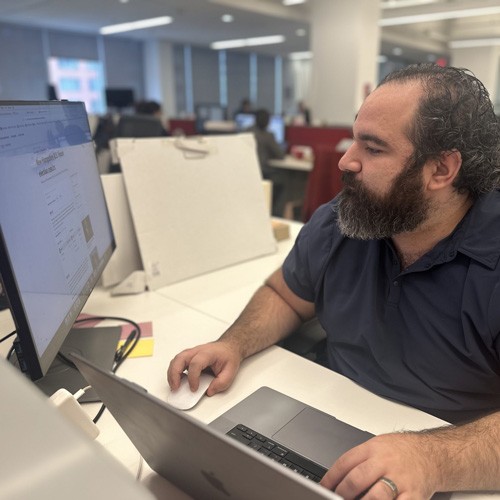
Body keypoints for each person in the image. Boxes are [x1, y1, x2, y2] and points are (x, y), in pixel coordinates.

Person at [167, 64, 500, 499]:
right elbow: (284, 295)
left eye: (373, 148)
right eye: (354, 137)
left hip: (447, 455)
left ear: (441, 170)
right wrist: (234, 343)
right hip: (322, 413)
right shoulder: (343, 220)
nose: (345, 160)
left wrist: (433, 459)